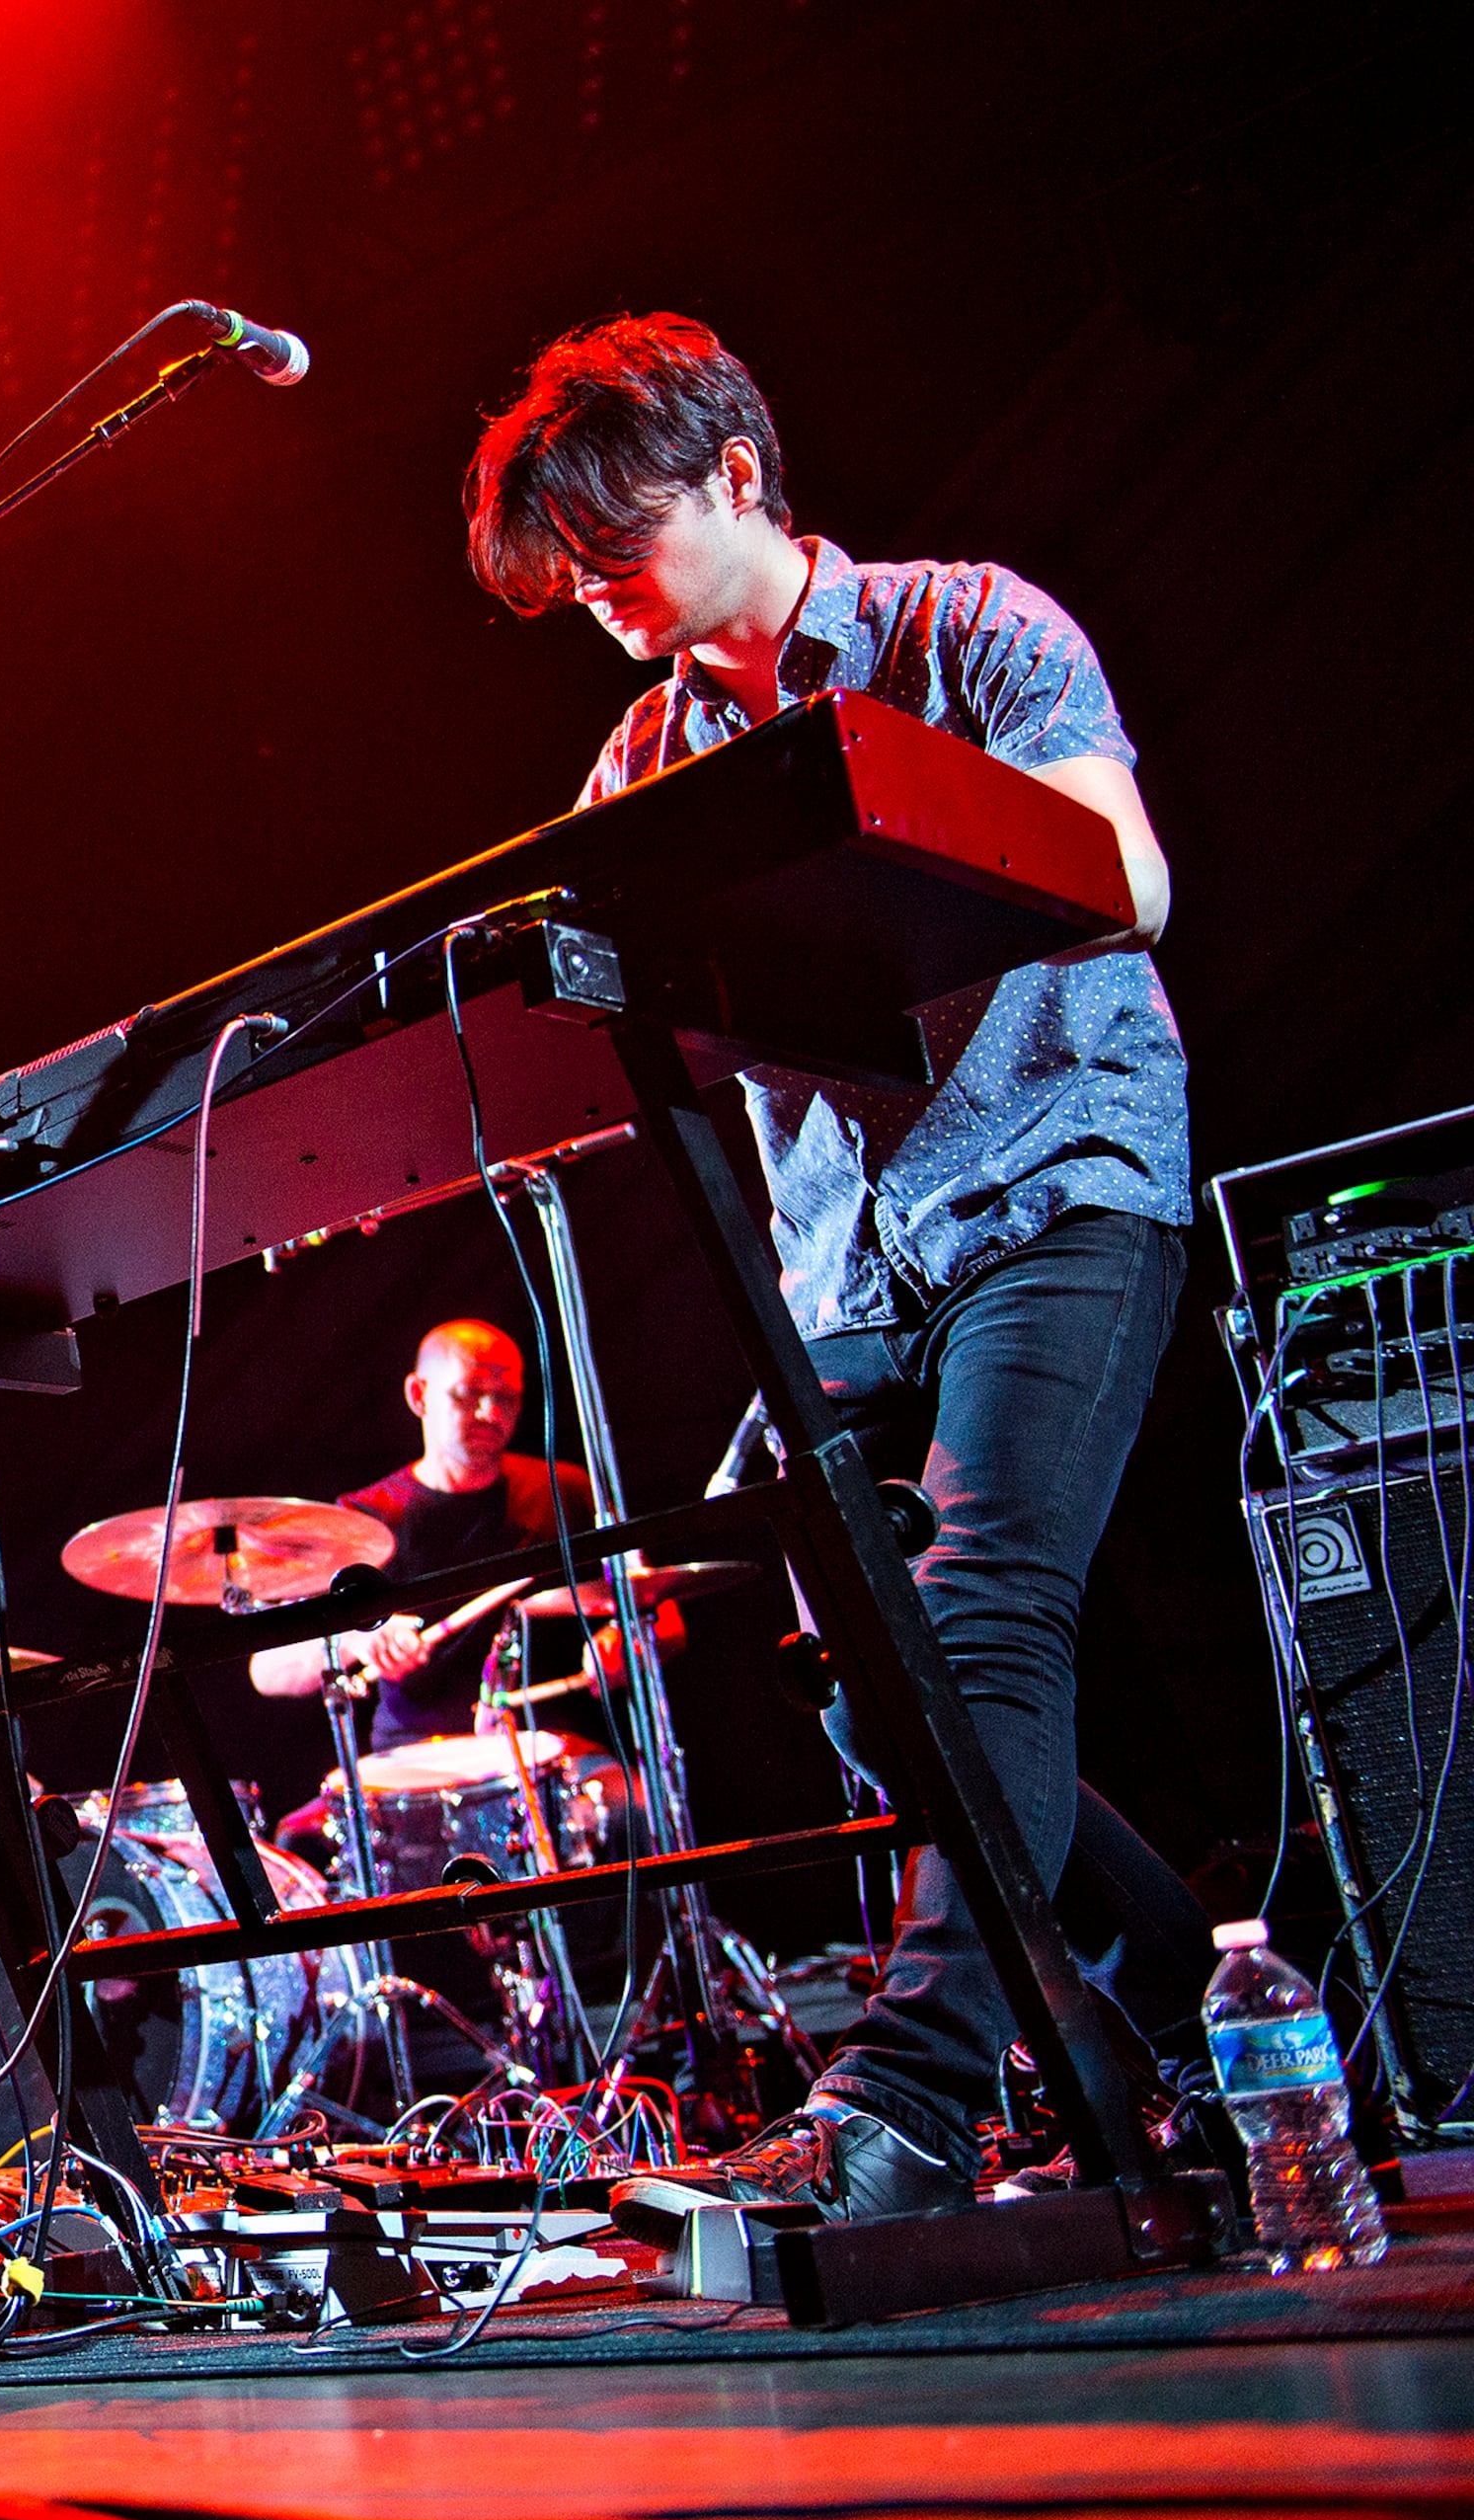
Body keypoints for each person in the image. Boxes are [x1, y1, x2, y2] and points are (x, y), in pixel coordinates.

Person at [460, 312, 1205, 2233]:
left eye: (623, 531)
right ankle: (1175, 1997)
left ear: (734, 474)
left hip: (1060, 1183)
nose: (599, 587)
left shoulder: (978, 631)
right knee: (866, 1674)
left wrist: (875, 836)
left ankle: (907, 2108)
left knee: (981, 1615)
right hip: (846, 1267)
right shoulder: (640, 750)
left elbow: (1131, 883)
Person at [247, 1318, 668, 1753]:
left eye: (506, 1397)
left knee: (631, 1811)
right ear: (419, 1395)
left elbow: (663, 1611)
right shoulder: (362, 1519)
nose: (490, 1413)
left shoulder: (568, 1492)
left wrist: (629, 1642)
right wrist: (357, 1638)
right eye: (470, 1393)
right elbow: (268, 1670)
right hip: (414, 1760)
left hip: (553, 1749)